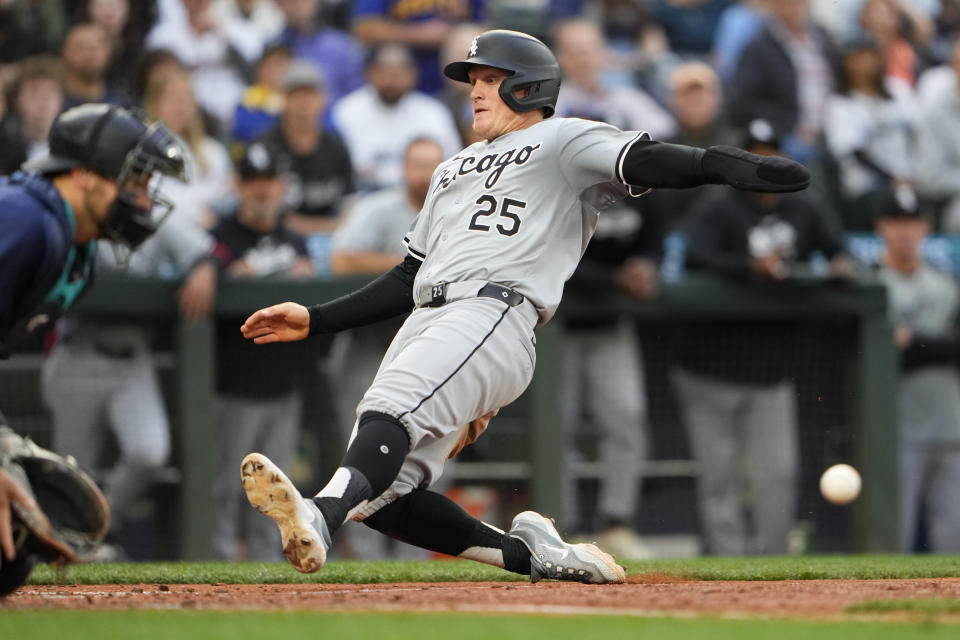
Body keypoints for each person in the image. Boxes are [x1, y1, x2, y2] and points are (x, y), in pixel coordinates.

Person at [236, 29, 810, 584]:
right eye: (473, 81)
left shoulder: (561, 140)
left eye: (491, 78)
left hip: (493, 312)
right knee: (384, 495)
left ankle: (318, 513)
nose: (476, 90)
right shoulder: (449, 169)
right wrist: (318, 318)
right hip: (427, 318)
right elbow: (408, 274)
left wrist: (735, 167)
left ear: (529, 87)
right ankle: (529, 554)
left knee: (389, 412)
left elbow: (650, 160)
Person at [0, 102, 187, 592]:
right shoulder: (23, 217)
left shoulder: (76, 253)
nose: (143, 201)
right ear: (84, 175)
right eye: (135, 181)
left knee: (11, 557)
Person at [669, 119, 854, 556]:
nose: (763, 166)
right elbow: (694, 256)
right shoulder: (720, 207)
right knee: (719, 478)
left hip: (771, 370)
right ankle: (728, 563)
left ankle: (770, 561)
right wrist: (747, 268)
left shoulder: (804, 209)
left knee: (778, 474)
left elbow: (839, 252)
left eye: (771, 155)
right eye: (755, 156)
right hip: (708, 368)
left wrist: (839, 265)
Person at [327, 137, 445, 559]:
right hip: (371, 346)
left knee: (427, 452)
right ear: (403, 169)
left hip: (430, 347)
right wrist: (409, 270)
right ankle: (365, 554)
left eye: (432, 165)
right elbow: (340, 260)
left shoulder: (460, 207)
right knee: (362, 446)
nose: (423, 175)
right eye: (416, 165)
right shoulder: (378, 208)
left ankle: (418, 555)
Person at [208, 141, 316, 561]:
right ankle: (216, 559)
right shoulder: (221, 237)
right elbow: (206, 264)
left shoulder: (295, 239)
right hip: (233, 384)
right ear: (238, 186)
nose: (261, 190)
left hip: (284, 385)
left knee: (273, 490)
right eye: (252, 182)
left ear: (280, 186)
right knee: (224, 484)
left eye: (268, 181)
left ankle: (267, 565)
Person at [874, 192, 960, 553]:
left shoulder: (946, 285)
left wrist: (913, 343)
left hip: (950, 425)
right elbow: (884, 356)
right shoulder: (872, 285)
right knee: (892, 540)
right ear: (881, 228)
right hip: (896, 430)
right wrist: (937, 345)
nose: (904, 232)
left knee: (955, 540)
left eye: (911, 222)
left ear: (924, 227)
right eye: (896, 222)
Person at [331, 43, 461, 192]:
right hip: (362, 195)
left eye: (398, 73)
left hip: (423, 196)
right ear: (370, 73)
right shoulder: (345, 112)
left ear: (413, 74)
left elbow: (453, 166)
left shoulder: (434, 113)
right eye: (385, 71)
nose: (391, 80)